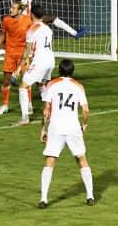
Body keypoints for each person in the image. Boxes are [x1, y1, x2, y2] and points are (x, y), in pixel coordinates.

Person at [38, 59, 94, 208]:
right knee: (81, 159)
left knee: (50, 161)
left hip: (56, 127)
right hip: (73, 127)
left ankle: (43, 199)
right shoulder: (79, 86)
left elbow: (46, 110)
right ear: (72, 71)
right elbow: (85, 110)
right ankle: (90, 196)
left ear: (59, 70)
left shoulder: (51, 84)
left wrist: (43, 128)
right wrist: (84, 125)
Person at [4, 0, 86, 39]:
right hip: (27, 19)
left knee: (48, 19)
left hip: (17, 19)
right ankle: (75, 34)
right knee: (51, 18)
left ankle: (75, 34)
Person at [14, 4, 56, 126]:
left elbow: (28, 50)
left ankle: (24, 118)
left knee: (23, 87)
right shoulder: (48, 29)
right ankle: (51, 113)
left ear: (31, 15)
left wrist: (20, 67)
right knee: (41, 84)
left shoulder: (32, 29)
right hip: (50, 60)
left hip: (40, 61)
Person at [0, 0, 32, 115]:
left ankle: (29, 104)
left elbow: (33, 36)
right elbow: (2, 36)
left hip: (23, 54)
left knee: (26, 79)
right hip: (10, 54)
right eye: (11, 7)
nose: (10, 9)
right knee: (6, 80)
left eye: (13, 8)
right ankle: (5, 105)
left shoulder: (28, 20)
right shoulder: (6, 20)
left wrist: (31, 52)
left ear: (19, 10)